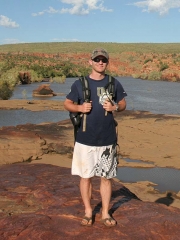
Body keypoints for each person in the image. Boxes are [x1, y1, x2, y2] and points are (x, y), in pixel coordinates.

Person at [64, 48, 127, 227]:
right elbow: (67, 103)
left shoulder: (114, 83)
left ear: (107, 63)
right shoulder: (80, 84)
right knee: (86, 177)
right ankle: (88, 211)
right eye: (97, 59)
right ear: (90, 62)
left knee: (106, 177)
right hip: (85, 139)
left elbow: (123, 103)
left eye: (103, 60)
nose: (100, 62)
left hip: (108, 139)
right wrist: (79, 108)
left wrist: (115, 107)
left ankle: (105, 213)